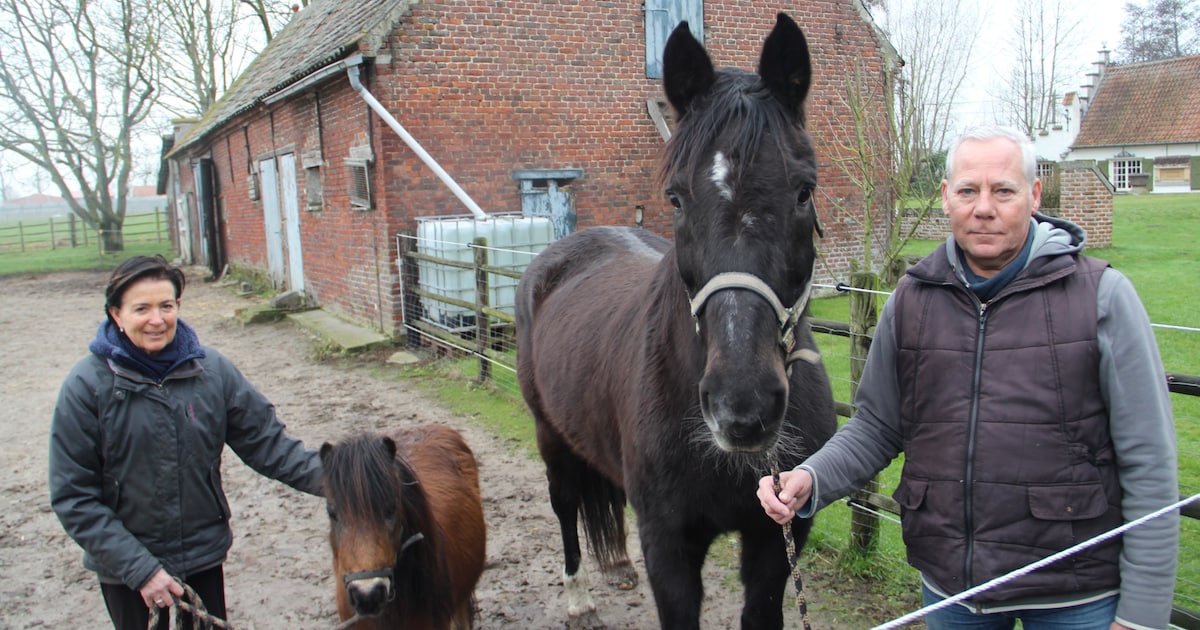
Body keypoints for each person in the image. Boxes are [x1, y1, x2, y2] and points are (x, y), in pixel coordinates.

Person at [758, 126, 1179, 630]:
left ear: (1034, 194)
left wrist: (1142, 616)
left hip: (1075, 596)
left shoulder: (1103, 297)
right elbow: (876, 426)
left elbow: (1149, 462)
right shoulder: (911, 301)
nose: (984, 208)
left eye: (1003, 190)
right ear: (945, 198)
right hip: (953, 593)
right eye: (967, 190)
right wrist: (812, 478)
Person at [49, 255, 324, 630]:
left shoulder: (212, 372)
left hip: (201, 559)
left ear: (178, 305)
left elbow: (270, 447)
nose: (157, 320)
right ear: (116, 314)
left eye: (166, 306)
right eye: (141, 309)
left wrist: (347, 481)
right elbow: (74, 497)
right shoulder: (87, 387)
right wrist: (141, 570)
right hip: (128, 573)